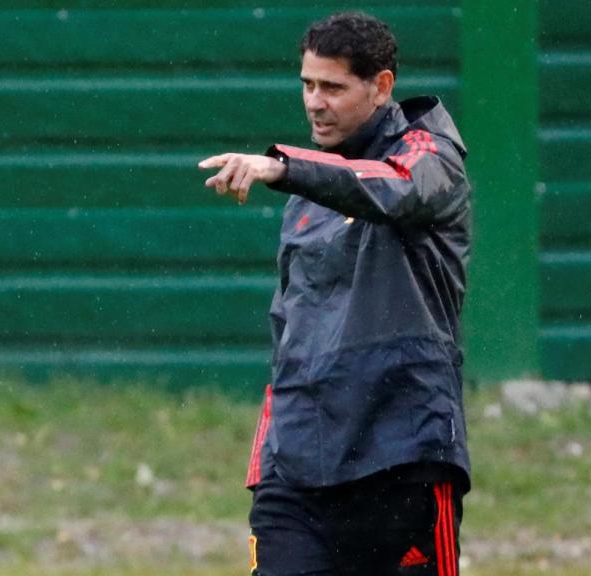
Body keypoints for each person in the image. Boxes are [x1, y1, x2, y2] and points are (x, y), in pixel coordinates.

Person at [198, 12, 471, 576]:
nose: (315, 103)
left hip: (403, 454)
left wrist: (285, 168)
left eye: (333, 87)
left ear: (382, 86)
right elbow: (290, 328)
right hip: (297, 468)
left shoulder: (430, 156)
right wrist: (272, 450)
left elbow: (394, 188)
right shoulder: (305, 187)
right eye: (307, 85)